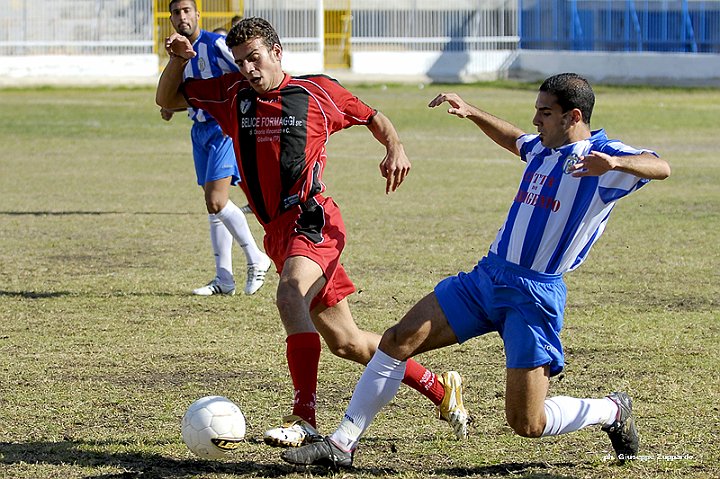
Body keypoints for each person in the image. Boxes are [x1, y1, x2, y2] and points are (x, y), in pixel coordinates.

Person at [281, 73, 671, 469]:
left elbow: (661, 165)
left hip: (533, 297)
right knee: (398, 338)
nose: (536, 120)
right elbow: (515, 138)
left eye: (545, 113)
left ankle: (610, 410)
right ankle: (343, 443)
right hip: (486, 279)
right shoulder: (541, 148)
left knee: (527, 422)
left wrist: (617, 163)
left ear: (573, 116)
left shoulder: (602, 155)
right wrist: (470, 112)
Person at [156, 17, 470, 447]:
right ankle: (439, 385)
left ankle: (303, 417)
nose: (249, 69)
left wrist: (395, 147)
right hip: (278, 233)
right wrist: (177, 59)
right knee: (348, 342)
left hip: (314, 220)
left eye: (255, 58)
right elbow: (168, 97)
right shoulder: (232, 95)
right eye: (241, 61)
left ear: (276, 52)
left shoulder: (316, 92)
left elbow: (374, 117)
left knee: (288, 295)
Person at [162, 0, 271, 297]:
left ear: (198, 14)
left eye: (186, 10)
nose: (182, 17)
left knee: (216, 201)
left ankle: (256, 257)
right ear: (170, 17)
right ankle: (224, 278)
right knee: (214, 209)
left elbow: (247, 73)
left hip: (223, 129)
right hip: (199, 131)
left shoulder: (218, 44)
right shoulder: (179, 52)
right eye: (176, 12)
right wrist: (172, 108)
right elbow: (183, 91)